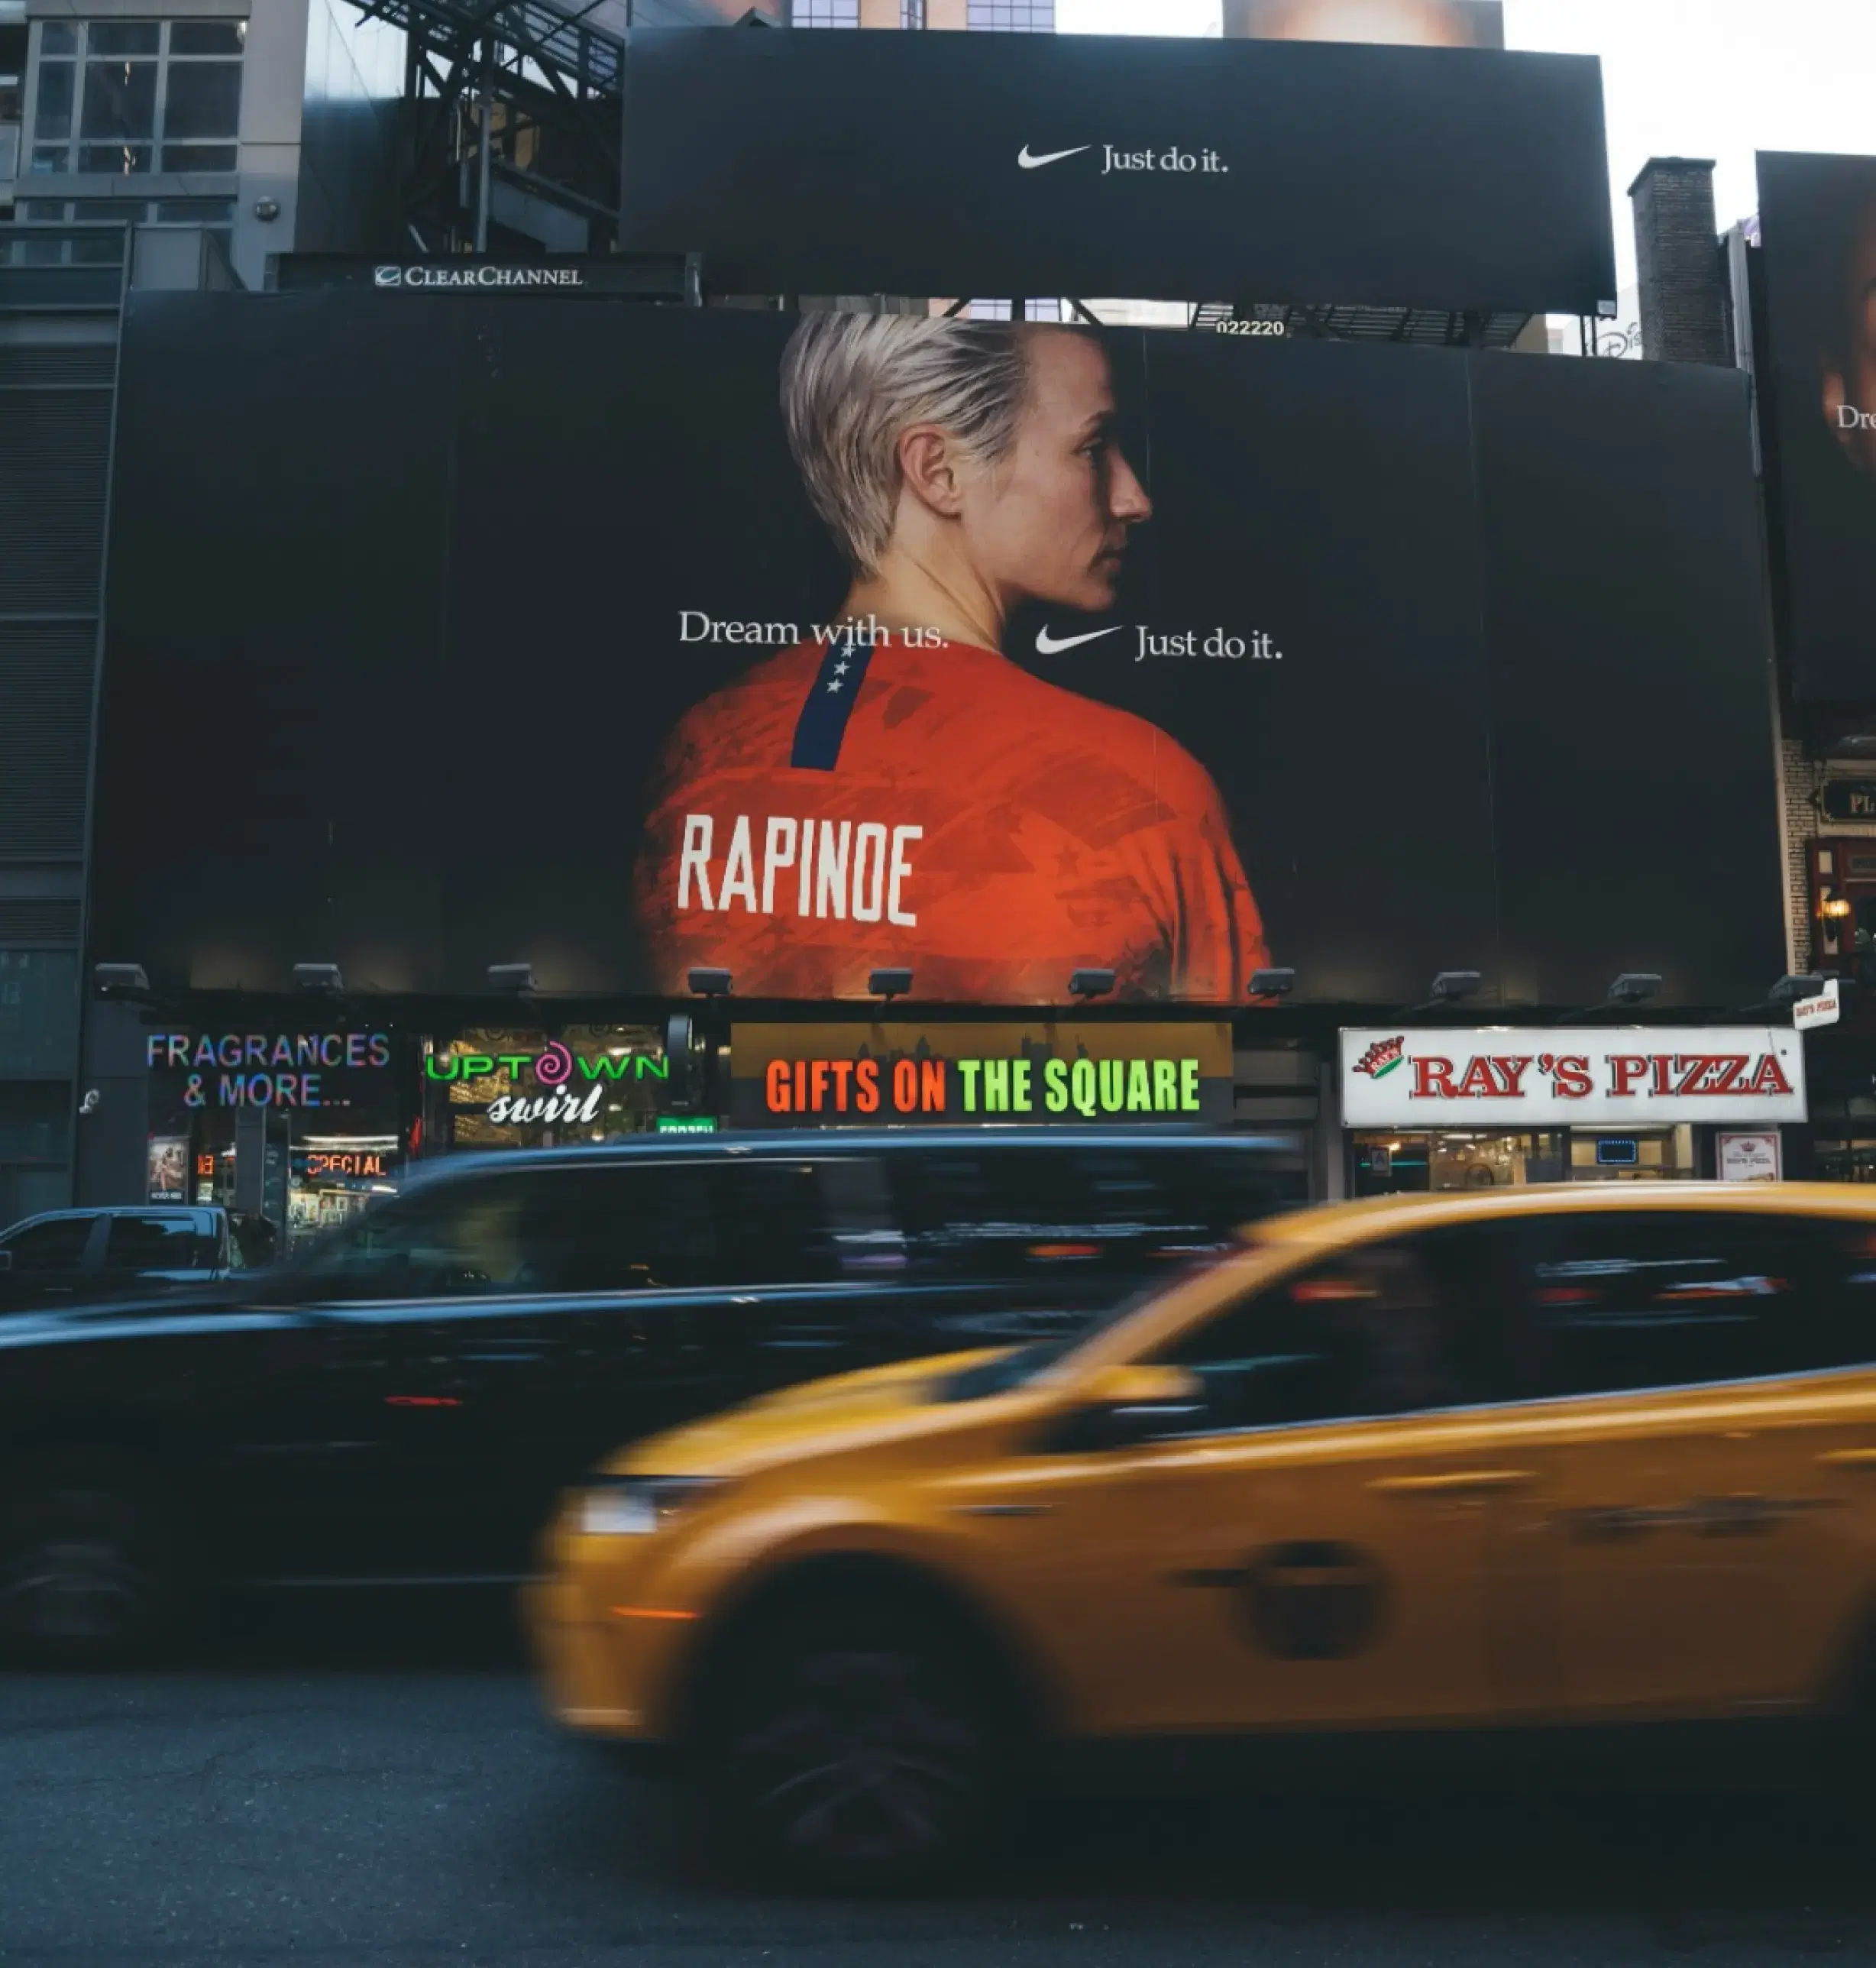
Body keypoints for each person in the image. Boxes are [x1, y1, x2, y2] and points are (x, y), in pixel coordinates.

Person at [630, 313, 1269, 1002]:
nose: (1132, 498)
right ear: (939, 471)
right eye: (1093, 448)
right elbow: (1232, 1073)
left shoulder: (700, 751)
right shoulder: (1140, 791)